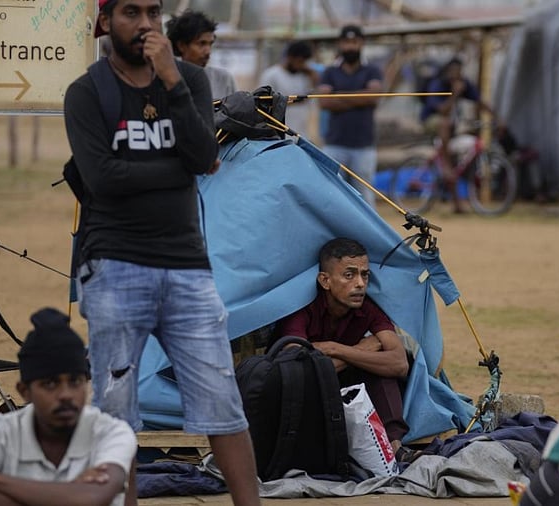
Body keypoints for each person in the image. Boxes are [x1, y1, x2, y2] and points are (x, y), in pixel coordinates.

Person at [63, 0, 260, 504]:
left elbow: (204, 154)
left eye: (153, 11)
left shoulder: (189, 81)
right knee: (116, 412)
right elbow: (104, 180)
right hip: (114, 266)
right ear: (105, 22)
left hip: (187, 270)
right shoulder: (87, 93)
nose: (146, 23)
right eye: (132, 12)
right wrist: (180, 170)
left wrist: (172, 80)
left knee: (223, 404)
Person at [0, 308, 136, 506]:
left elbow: (92, 497)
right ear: (24, 391)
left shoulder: (111, 433)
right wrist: (70, 490)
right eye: (50, 384)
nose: (65, 394)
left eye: (75, 381)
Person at [275, 238, 415, 461]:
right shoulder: (301, 309)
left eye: (364, 275)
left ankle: (395, 447)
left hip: (346, 387)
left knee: (382, 371)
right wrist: (361, 350)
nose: (360, 283)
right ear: (325, 280)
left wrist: (335, 349)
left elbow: (399, 363)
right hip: (309, 398)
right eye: (349, 275)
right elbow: (297, 369)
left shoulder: (368, 309)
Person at [419, 58, 499, 213]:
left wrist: (498, 118)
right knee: (444, 123)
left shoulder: (465, 84)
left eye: (459, 72)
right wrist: (454, 94)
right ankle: (446, 164)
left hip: (450, 129)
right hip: (432, 122)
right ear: (448, 72)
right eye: (454, 72)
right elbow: (443, 110)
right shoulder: (438, 84)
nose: (457, 75)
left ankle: (457, 204)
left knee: (458, 160)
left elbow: (480, 102)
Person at [317, 25, 384, 208]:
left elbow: (373, 97)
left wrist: (339, 96)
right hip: (334, 144)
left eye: (354, 42)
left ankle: (368, 236)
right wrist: (360, 97)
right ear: (340, 44)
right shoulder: (330, 72)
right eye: (346, 42)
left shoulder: (372, 70)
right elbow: (324, 102)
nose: (350, 47)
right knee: (333, 195)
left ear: (361, 43)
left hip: (364, 145)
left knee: (365, 196)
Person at [166, 9, 237, 100]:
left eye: (210, 44)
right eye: (201, 44)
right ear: (181, 45)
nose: (208, 51)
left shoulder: (223, 80)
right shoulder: (168, 80)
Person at [259, 40, 320, 137]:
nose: (302, 65)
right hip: (278, 134)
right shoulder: (271, 75)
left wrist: (313, 78)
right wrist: (292, 101)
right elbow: (263, 103)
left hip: (301, 134)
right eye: (300, 61)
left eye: (304, 62)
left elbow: (312, 100)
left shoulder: (304, 76)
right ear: (290, 57)